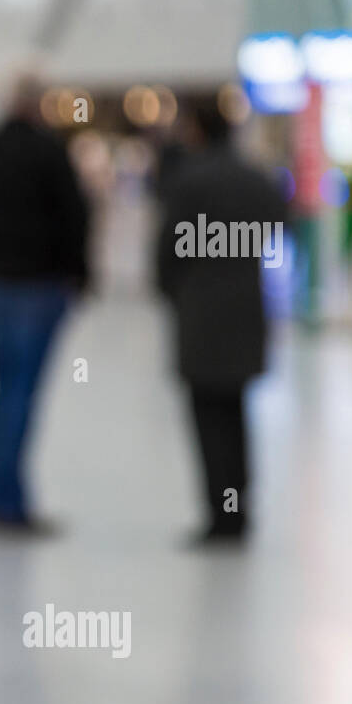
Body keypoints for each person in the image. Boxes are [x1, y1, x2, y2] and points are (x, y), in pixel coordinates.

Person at [0, 76, 89, 534]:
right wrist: (78, 274)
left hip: (1, 282)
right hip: (39, 284)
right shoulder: (48, 152)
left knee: (3, 389)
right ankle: (8, 503)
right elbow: (74, 217)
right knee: (21, 393)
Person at [155, 99, 287, 545]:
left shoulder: (189, 182)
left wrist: (174, 292)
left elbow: (167, 252)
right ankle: (239, 508)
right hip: (246, 305)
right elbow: (280, 226)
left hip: (200, 312)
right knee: (236, 412)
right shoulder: (255, 178)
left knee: (208, 418)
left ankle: (220, 514)